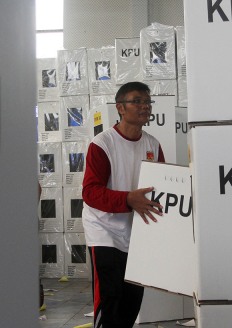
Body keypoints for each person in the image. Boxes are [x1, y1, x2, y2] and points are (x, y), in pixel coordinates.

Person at [82, 81, 165, 327]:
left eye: (147, 102)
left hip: (137, 232)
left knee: (131, 301)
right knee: (110, 300)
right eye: (137, 101)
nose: (144, 107)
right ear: (120, 107)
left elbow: (160, 190)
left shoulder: (152, 144)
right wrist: (128, 199)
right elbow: (90, 192)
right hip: (104, 231)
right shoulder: (102, 143)